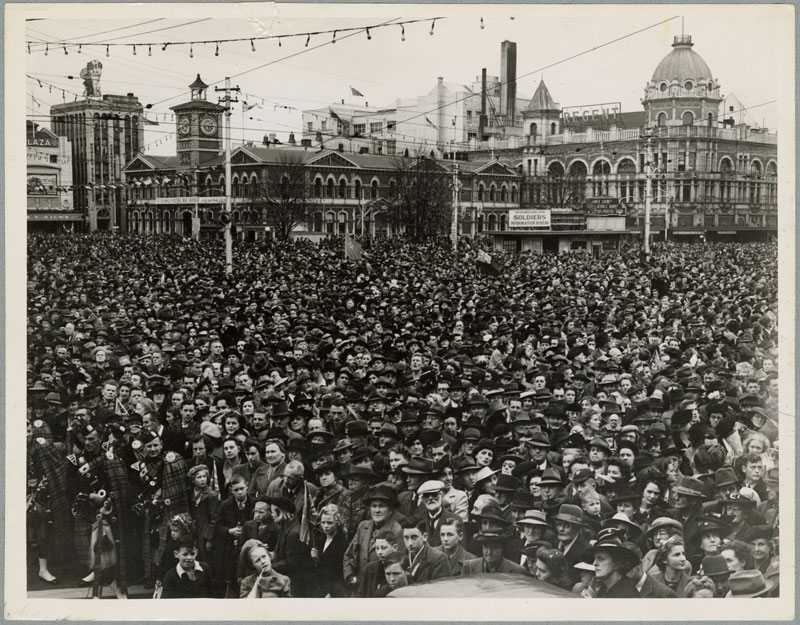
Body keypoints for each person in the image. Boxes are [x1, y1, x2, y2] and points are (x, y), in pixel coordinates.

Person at [343, 484, 405, 595]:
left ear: (390, 510)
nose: (377, 510)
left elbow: (399, 565)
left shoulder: (397, 530)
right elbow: (348, 555)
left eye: (382, 506)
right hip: (359, 589)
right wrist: (351, 577)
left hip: (381, 590)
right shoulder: (363, 527)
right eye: (374, 506)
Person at [269, 495, 315, 598]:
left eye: (272, 511)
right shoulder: (285, 526)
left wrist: (271, 567)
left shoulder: (293, 533)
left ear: (280, 512)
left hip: (293, 583)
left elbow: (293, 562)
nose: (271, 514)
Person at [310, 503, 348, 597]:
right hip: (319, 586)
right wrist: (314, 557)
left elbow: (339, 572)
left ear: (338, 523)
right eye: (323, 522)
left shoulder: (342, 543)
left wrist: (331, 592)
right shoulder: (319, 540)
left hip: (333, 590)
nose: (325, 526)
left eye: (329, 523)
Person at [400, 517, 451, 583]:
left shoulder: (439, 559)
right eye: (406, 538)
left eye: (414, 538)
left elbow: (441, 589)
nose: (410, 543)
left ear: (425, 537)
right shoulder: (401, 558)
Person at [461, 531, 526, 576]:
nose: (489, 552)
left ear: (502, 549)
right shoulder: (469, 566)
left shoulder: (517, 570)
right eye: (486, 547)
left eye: (494, 547)